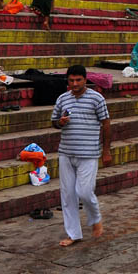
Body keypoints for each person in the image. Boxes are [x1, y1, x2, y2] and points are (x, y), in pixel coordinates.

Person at [51, 64, 112, 247]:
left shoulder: (96, 98)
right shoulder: (63, 98)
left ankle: (95, 219)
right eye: (71, 80)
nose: (75, 83)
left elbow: (106, 123)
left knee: (84, 192)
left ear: (86, 80)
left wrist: (106, 151)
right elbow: (54, 122)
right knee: (68, 195)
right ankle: (73, 234)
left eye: (78, 80)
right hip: (66, 153)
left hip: (89, 154)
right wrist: (60, 123)